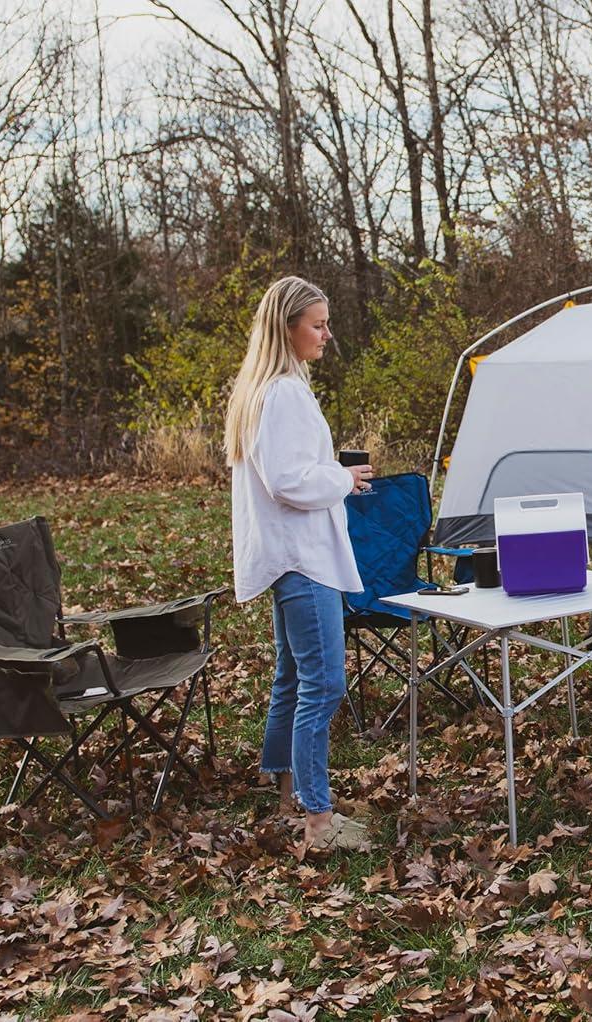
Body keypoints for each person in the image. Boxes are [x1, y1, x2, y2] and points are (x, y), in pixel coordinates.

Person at [225, 276, 374, 850]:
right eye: (317, 324)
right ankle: (318, 818)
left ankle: (286, 793)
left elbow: (283, 470)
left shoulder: (263, 390)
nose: (326, 335)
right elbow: (288, 480)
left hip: (289, 554)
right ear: (286, 327)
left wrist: (333, 474)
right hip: (301, 558)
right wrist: (344, 476)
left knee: (293, 676)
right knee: (325, 684)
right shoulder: (282, 392)